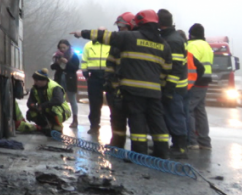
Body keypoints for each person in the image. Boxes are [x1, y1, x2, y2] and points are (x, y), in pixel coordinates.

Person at [73, 9, 172, 158]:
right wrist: (160, 87)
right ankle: (163, 154)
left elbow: (104, 36)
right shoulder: (163, 45)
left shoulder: (130, 38)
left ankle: (139, 155)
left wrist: (82, 33)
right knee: (157, 122)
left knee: (137, 121)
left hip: (133, 91)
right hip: (154, 92)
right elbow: (166, 71)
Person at [158, 9, 189, 159]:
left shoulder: (173, 40)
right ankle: (176, 144)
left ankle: (180, 146)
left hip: (174, 86)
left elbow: (175, 68)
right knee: (171, 114)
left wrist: (169, 89)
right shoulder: (171, 37)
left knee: (175, 114)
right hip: (173, 85)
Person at [105, 12, 136, 148]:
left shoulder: (136, 43)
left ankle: (138, 148)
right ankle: (117, 144)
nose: (119, 30)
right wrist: (108, 82)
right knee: (116, 118)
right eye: (119, 27)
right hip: (116, 88)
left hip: (132, 88)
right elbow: (110, 63)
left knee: (136, 118)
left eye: (122, 27)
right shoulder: (117, 44)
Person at [185, 23, 213, 150]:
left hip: (195, 81)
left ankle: (192, 141)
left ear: (191, 34)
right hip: (205, 81)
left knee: (188, 109)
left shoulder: (192, 45)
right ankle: (204, 141)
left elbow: (190, 63)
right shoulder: (207, 46)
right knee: (200, 110)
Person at [81, 28, 110, 134]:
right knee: (94, 103)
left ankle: (115, 127)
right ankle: (94, 125)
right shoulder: (89, 45)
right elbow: (84, 60)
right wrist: (85, 72)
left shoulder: (111, 44)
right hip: (94, 76)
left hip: (108, 76)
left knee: (112, 103)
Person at [26, 68, 72, 135]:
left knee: (54, 110)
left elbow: (58, 100)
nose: (35, 82)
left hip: (61, 111)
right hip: (45, 110)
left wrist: (42, 106)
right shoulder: (35, 88)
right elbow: (30, 102)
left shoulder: (55, 87)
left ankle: (57, 128)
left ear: (44, 80)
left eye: (37, 80)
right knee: (31, 113)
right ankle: (45, 126)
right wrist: (33, 106)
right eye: (34, 80)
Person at [50, 39, 81, 127]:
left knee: (72, 100)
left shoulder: (73, 55)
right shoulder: (56, 56)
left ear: (68, 46)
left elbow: (75, 68)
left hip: (70, 79)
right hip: (59, 79)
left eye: (64, 47)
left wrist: (67, 62)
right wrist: (58, 62)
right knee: (58, 99)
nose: (62, 49)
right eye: (61, 48)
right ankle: (57, 119)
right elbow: (52, 67)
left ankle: (75, 120)